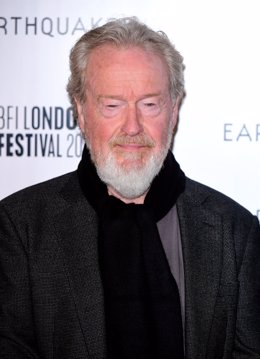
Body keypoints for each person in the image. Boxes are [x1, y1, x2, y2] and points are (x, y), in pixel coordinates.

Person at [0, 17, 259, 359]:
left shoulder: (235, 231)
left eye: (150, 104)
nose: (133, 126)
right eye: (112, 105)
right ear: (80, 111)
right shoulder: (21, 228)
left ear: (174, 110)